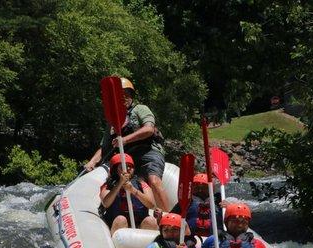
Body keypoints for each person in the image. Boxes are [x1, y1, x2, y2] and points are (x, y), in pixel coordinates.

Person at [86, 77, 170, 211]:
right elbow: (105, 147)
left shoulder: (140, 109)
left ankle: (170, 219)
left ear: (132, 97)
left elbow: (149, 129)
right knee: (115, 180)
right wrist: (92, 162)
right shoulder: (112, 121)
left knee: (153, 180)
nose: (124, 98)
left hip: (148, 152)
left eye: (127, 95)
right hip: (127, 158)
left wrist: (125, 140)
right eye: (120, 96)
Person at [100, 153, 158, 236]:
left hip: (138, 223)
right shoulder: (108, 185)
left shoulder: (141, 183)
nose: (127, 169)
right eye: (122, 167)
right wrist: (120, 183)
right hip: (117, 222)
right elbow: (106, 203)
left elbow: (151, 205)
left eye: (130, 166)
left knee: (151, 221)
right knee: (121, 220)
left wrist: (133, 190)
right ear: (115, 170)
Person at [170, 173, 223, 237]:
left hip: (215, 236)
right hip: (191, 235)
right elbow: (172, 216)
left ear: (211, 188)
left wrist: (227, 206)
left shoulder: (218, 200)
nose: (200, 190)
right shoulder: (186, 201)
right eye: (197, 187)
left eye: (204, 187)